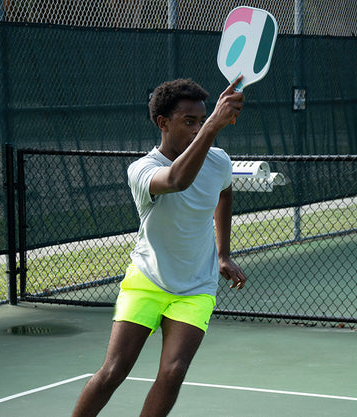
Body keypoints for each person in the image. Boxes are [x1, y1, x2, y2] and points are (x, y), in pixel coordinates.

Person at [71, 75, 247, 417]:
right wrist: (212, 126)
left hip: (196, 286)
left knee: (173, 371)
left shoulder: (219, 161)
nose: (197, 129)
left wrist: (222, 253)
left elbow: (224, 191)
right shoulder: (143, 169)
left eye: (201, 120)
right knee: (113, 372)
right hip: (147, 280)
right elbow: (177, 180)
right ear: (162, 122)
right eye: (188, 122)